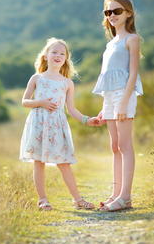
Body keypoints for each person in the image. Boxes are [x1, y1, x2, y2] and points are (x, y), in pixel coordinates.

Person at [20, 37, 100, 211]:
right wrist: (40, 102)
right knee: (38, 162)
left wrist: (87, 120)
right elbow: (25, 101)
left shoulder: (67, 83)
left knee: (64, 163)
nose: (58, 55)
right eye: (54, 52)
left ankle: (77, 199)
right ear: (45, 56)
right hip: (39, 125)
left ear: (65, 59)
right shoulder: (37, 78)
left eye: (62, 53)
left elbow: (71, 109)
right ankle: (43, 200)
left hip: (57, 127)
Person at [93, 0, 144, 212]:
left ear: (128, 13)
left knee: (124, 145)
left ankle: (125, 197)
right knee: (115, 147)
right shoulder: (110, 44)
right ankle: (116, 193)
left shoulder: (131, 39)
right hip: (110, 98)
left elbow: (132, 74)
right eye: (108, 12)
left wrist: (123, 102)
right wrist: (106, 106)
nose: (112, 15)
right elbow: (107, 76)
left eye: (117, 11)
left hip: (124, 96)